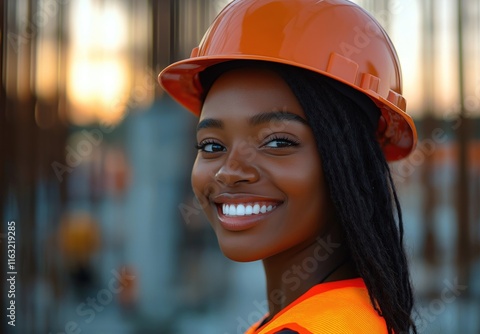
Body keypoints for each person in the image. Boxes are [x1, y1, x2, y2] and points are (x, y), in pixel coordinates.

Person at [158, 0, 418, 333]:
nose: (230, 171)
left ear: (354, 163)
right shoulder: (356, 317)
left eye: (278, 142)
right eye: (213, 146)